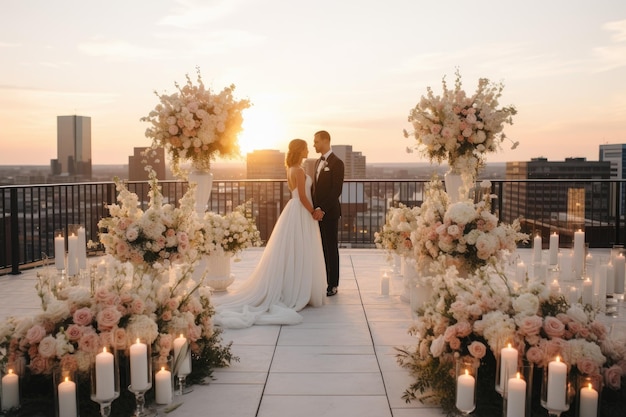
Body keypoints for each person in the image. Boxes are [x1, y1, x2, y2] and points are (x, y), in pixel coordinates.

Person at [212, 139, 326, 328]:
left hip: (294, 210)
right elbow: (303, 196)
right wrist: (314, 211)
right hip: (301, 210)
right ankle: (298, 290)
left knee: (295, 248)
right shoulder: (297, 170)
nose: (308, 150)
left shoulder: (291, 169)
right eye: (305, 147)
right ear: (300, 150)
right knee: (301, 248)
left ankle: (296, 285)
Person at [312, 130, 344, 296]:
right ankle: (323, 280)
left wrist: (322, 209)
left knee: (331, 248)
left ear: (325, 141)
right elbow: (315, 189)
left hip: (329, 213)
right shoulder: (317, 162)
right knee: (321, 248)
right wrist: (313, 209)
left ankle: (333, 284)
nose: (314, 145)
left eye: (316, 141)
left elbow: (336, 190)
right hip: (316, 213)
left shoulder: (337, 163)